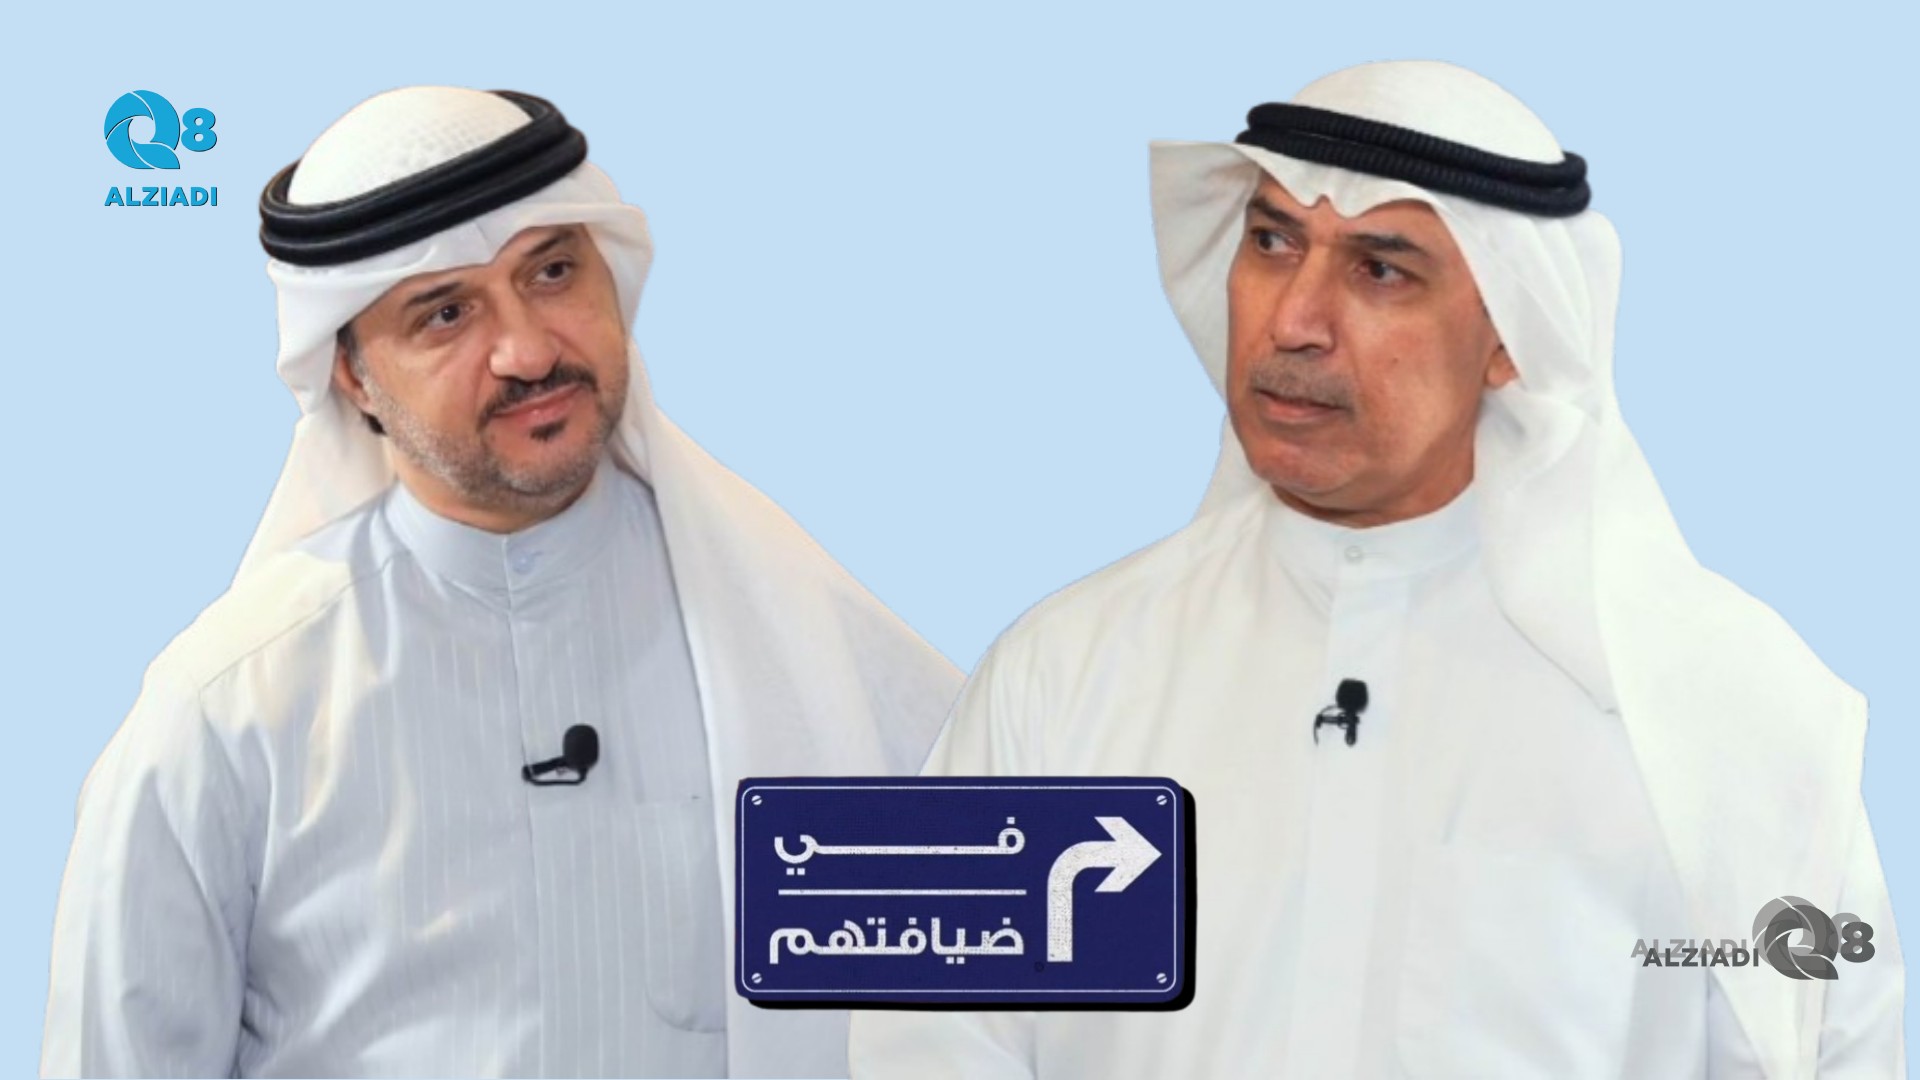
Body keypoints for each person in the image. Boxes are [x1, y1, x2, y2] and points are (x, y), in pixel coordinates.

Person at [848, 61, 1903, 1078]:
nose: (1293, 321)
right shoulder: (1062, 675)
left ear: (1509, 334)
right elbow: (930, 1049)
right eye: (1272, 242)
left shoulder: (1722, 712)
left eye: (1380, 269)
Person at [43, 86, 960, 1078]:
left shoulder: (807, 646)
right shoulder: (224, 714)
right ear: (353, 377)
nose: (527, 351)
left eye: (553, 272)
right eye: (446, 314)